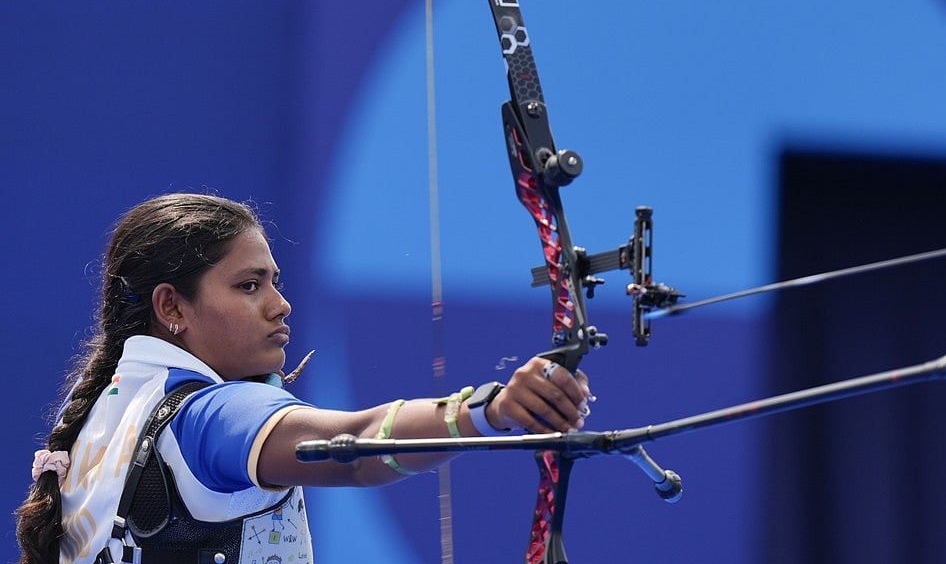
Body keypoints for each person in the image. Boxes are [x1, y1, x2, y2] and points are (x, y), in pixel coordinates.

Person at [16, 193, 593, 564]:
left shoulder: (101, 408)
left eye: (275, 281)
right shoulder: (210, 415)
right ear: (173, 307)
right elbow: (355, 447)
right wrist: (487, 413)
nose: (280, 305)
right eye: (249, 286)